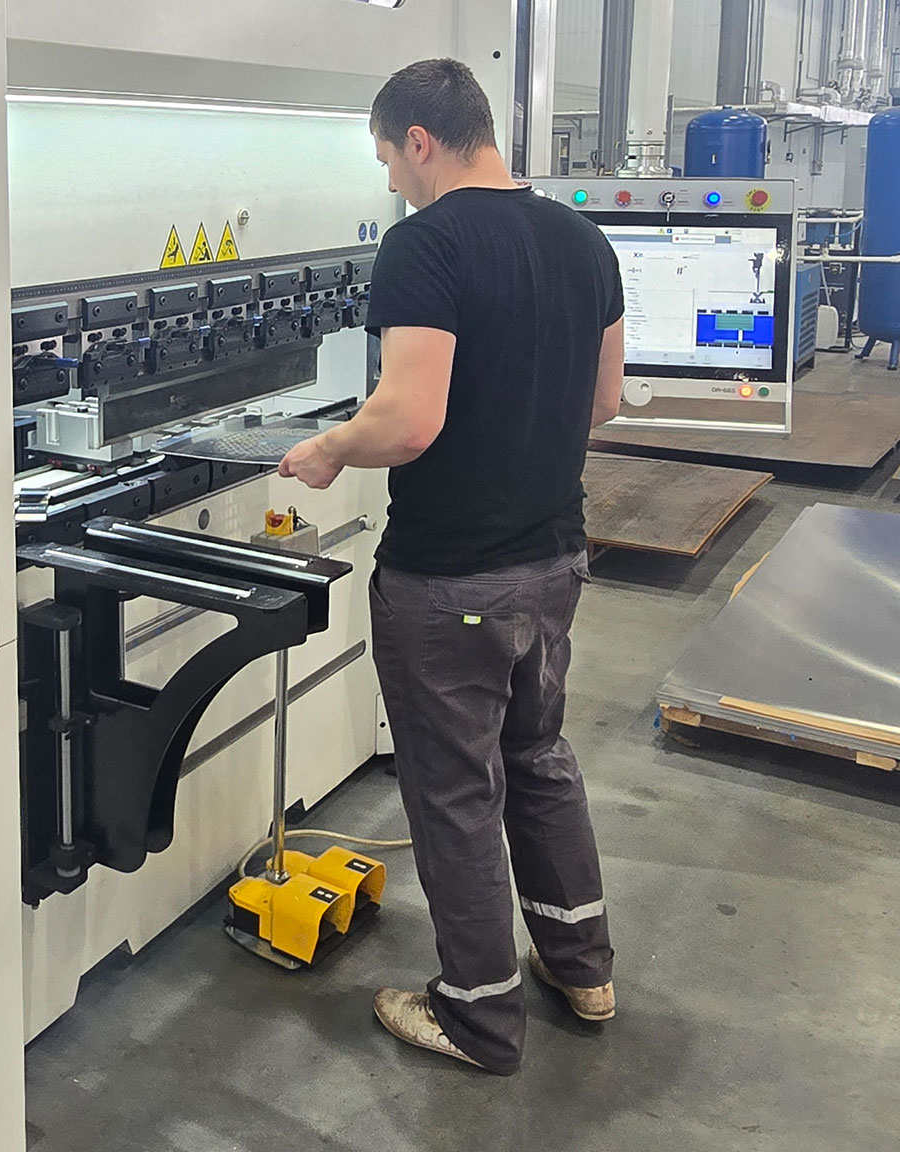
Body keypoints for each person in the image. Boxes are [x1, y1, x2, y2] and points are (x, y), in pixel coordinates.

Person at [278, 57, 625, 1076]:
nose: (391, 178)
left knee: (456, 793)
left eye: (389, 158)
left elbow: (409, 421)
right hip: (554, 561)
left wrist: (329, 449)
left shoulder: (424, 244)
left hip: (449, 581)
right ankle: (583, 969)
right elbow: (604, 402)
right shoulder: (582, 237)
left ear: (420, 141)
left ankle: (476, 1016)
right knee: (539, 759)